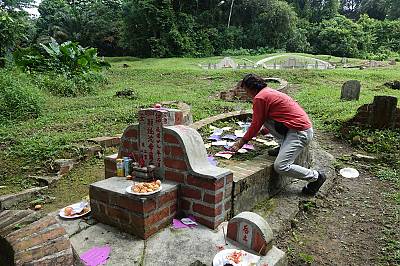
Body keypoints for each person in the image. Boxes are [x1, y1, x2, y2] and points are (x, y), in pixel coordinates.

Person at [231, 74, 326, 195]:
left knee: (281, 166)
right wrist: (264, 131)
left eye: (245, 90)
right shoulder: (268, 92)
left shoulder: (260, 98)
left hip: (299, 132)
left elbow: (256, 124)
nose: (246, 93)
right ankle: (283, 146)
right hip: (296, 128)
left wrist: (240, 143)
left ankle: (316, 177)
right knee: (266, 118)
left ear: (251, 88)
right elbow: (275, 117)